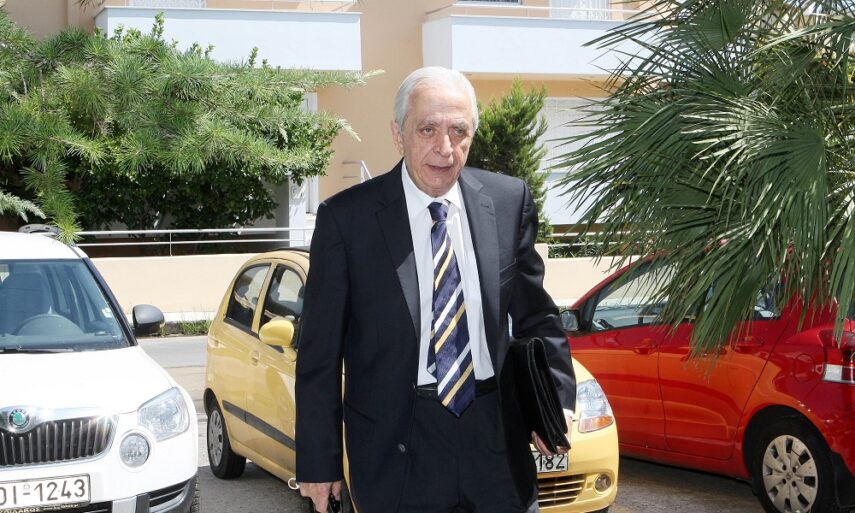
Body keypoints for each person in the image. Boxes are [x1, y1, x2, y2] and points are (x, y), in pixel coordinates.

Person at [295, 66, 576, 513]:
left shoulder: (508, 202)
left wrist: (555, 401)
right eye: (428, 129)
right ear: (398, 134)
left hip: (496, 441)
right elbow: (319, 355)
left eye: (458, 131)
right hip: (397, 449)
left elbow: (537, 316)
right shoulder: (347, 220)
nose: (445, 148)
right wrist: (318, 461)